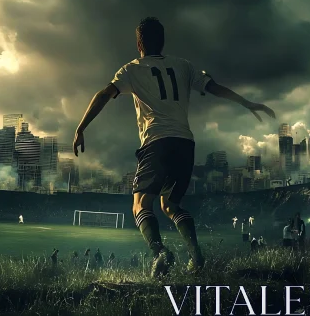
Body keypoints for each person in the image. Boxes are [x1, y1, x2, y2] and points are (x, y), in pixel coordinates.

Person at [72, 17, 276, 278]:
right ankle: (197, 258)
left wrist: (80, 128)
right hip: (184, 143)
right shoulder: (183, 66)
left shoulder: (131, 69)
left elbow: (103, 95)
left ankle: (160, 253)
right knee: (170, 205)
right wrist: (247, 103)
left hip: (156, 142)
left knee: (140, 207)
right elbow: (214, 88)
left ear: (138, 44)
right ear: (163, 41)